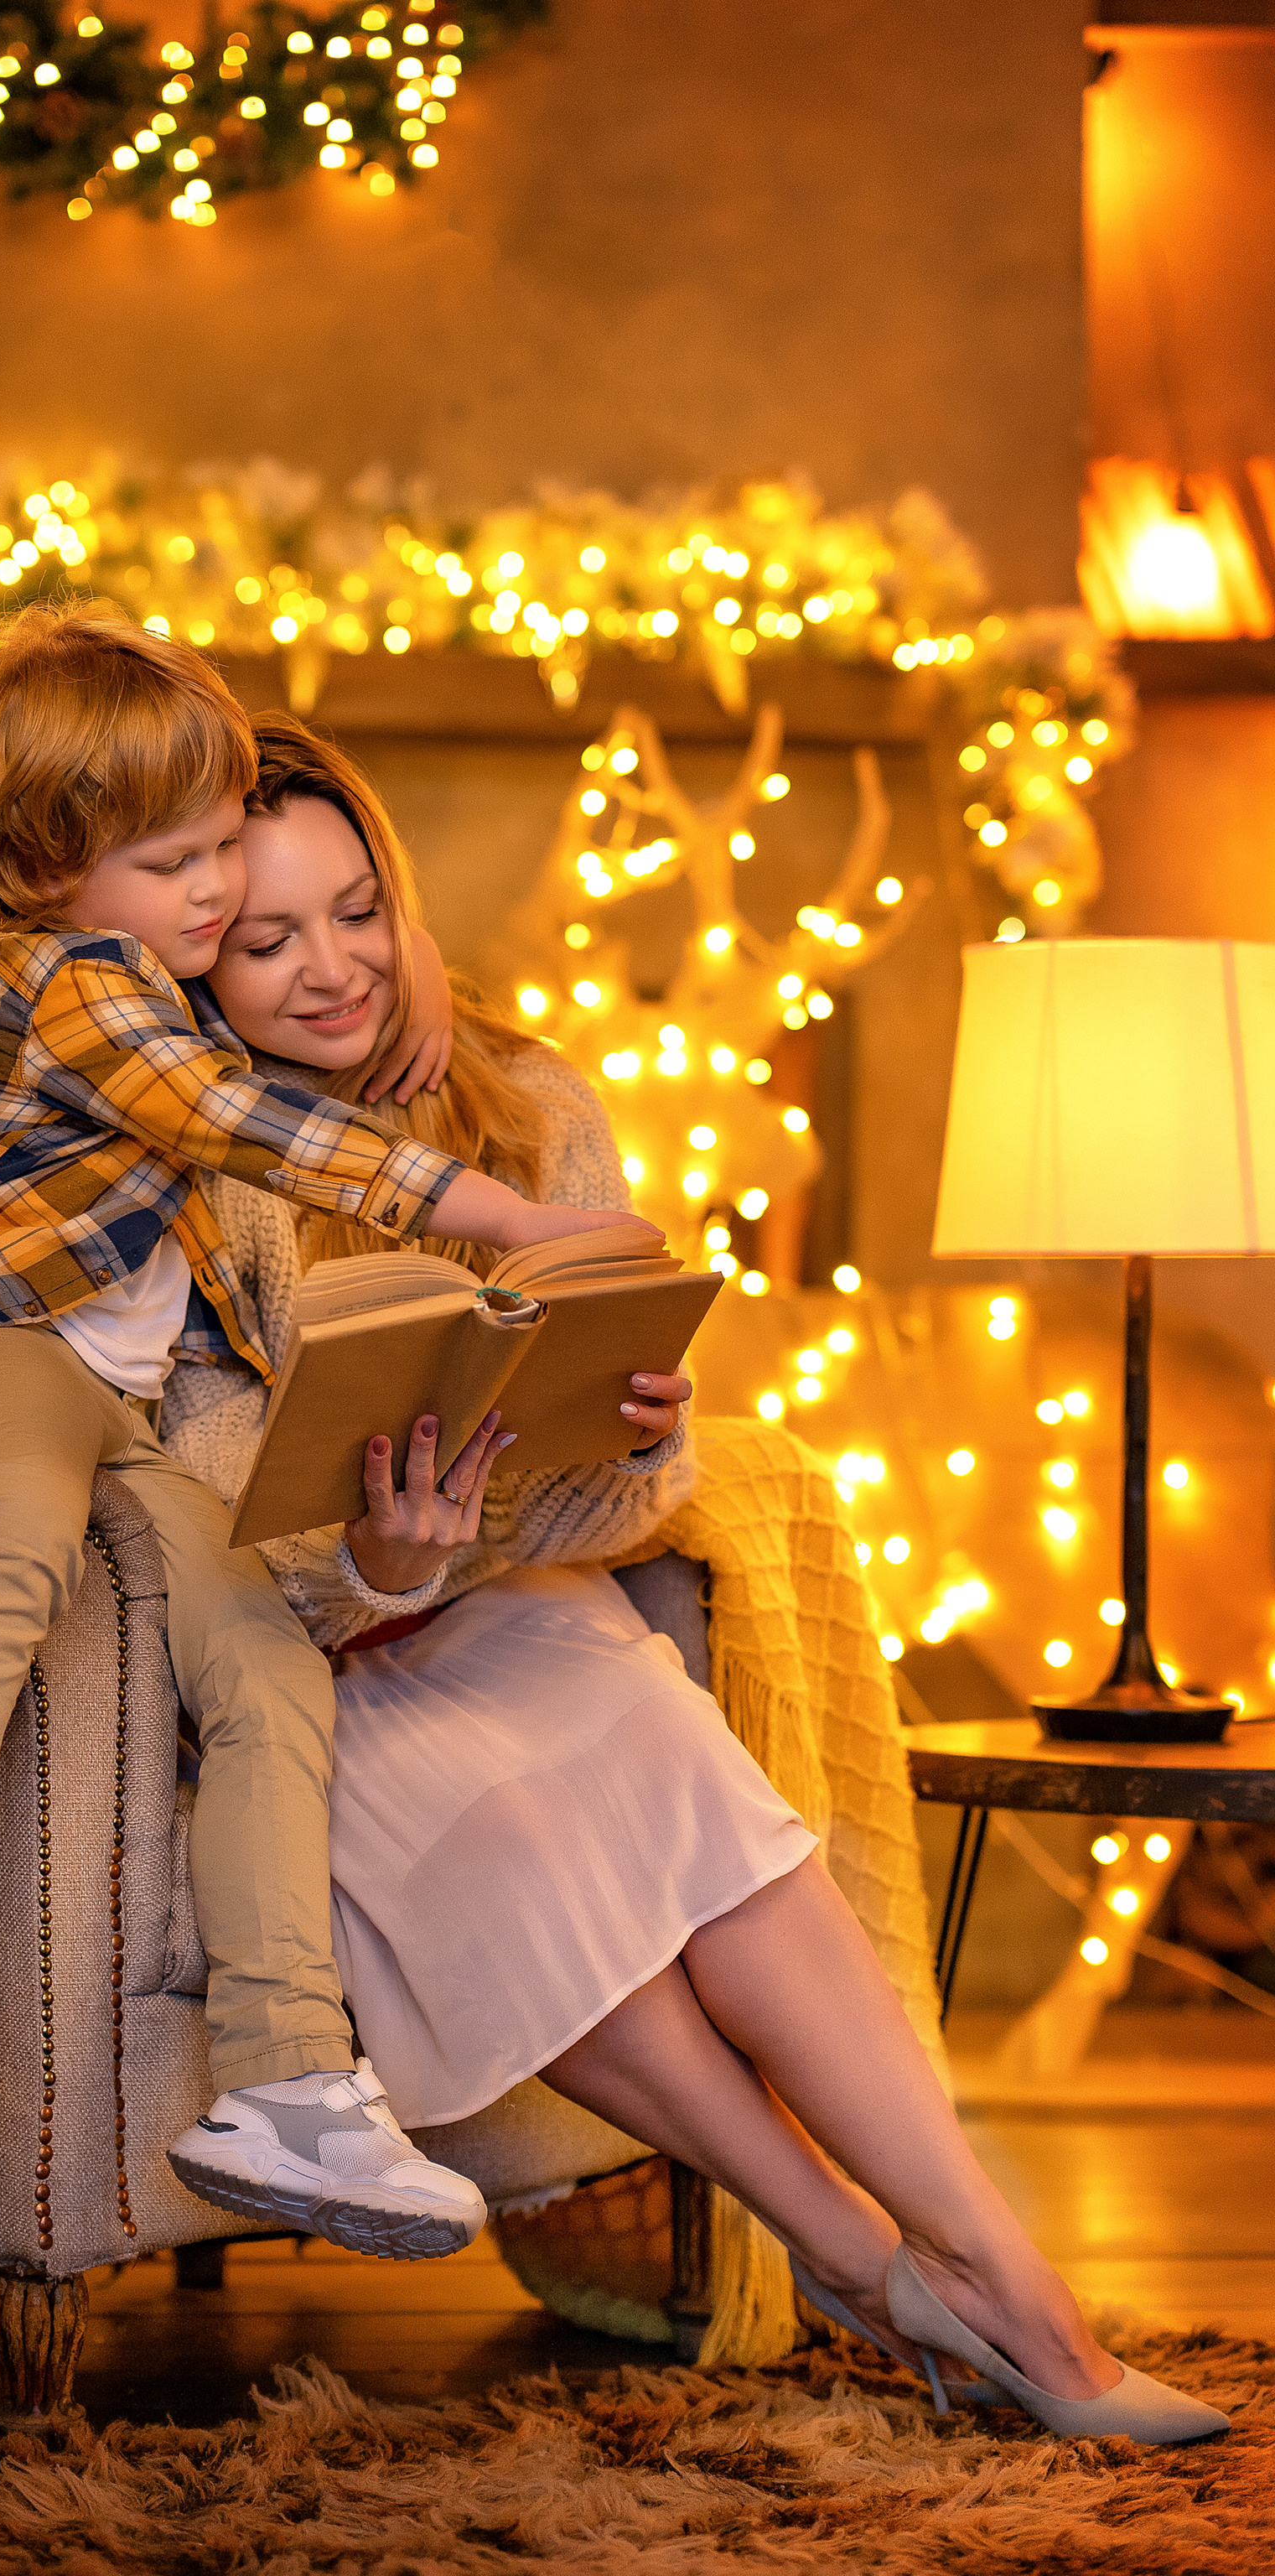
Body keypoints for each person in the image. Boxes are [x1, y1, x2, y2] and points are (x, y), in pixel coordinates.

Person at [158, 714, 1227, 2444]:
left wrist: (638, 1435)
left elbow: (622, 1497)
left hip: (502, 1612)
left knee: (686, 1784)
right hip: (301, 1670)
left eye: (355, 911)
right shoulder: (178, 1180)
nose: (330, 969)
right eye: (268, 941)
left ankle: (989, 2265)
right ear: (195, 966)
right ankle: (851, 2256)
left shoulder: (527, 1101)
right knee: (510, 1846)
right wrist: (366, 1566)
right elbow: (199, 1528)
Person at [0, 602, 635, 2266]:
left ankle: (287, 2077)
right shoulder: (78, 986)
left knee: (263, 1654)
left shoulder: (164, 985)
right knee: (17, 1515)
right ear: (44, 866)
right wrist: (503, 1219)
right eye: (184, 863)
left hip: (98, 1402)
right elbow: (236, 1125)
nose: (216, 893)